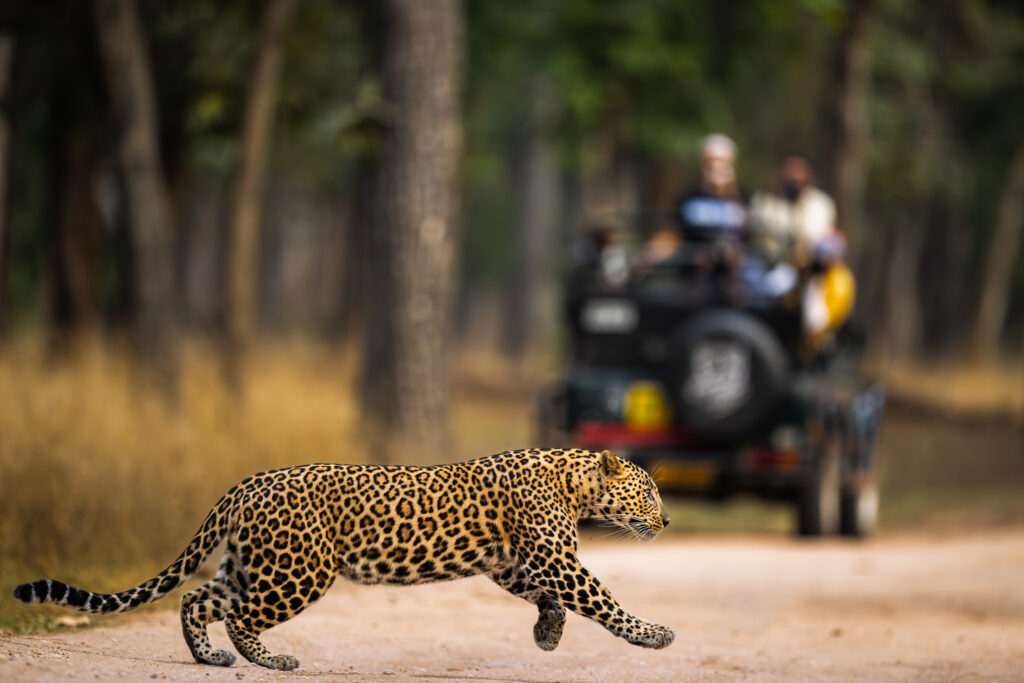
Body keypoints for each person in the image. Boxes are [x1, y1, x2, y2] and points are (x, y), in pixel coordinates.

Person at [750, 156, 853, 349]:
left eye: (797, 179)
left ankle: (814, 345)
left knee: (815, 300)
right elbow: (759, 232)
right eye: (788, 177)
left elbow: (818, 237)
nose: (792, 182)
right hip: (767, 265)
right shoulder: (766, 202)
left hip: (808, 271)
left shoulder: (819, 204)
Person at [676, 133, 749, 244]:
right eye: (710, 163)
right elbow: (673, 234)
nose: (717, 167)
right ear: (702, 164)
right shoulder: (688, 198)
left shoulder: (745, 198)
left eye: (724, 162)